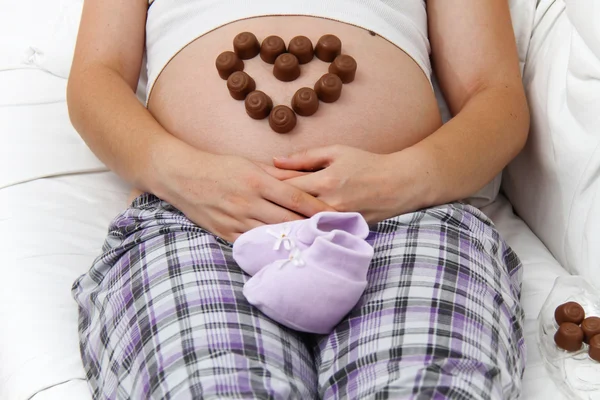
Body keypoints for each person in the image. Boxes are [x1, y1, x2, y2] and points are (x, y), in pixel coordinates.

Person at [68, 0, 529, 398]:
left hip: (405, 215)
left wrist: (401, 179)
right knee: (206, 385)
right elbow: (95, 79)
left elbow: (497, 96)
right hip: (194, 217)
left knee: (430, 384)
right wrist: (183, 176)